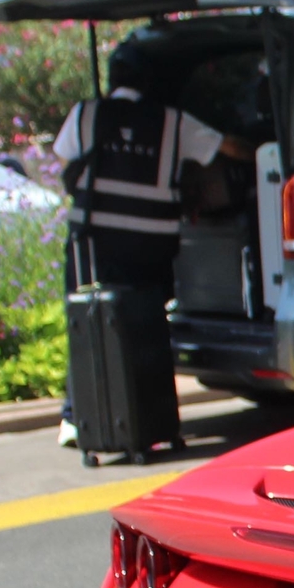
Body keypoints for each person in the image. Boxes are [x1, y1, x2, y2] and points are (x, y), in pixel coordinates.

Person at [52, 43, 247, 448]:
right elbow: (225, 148)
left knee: (86, 323)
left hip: (93, 244)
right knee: (146, 328)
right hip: (149, 246)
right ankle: (147, 414)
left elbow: (63, 157)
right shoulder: (173, 122)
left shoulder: (85, 114)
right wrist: (264, 146)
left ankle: (76, 417)